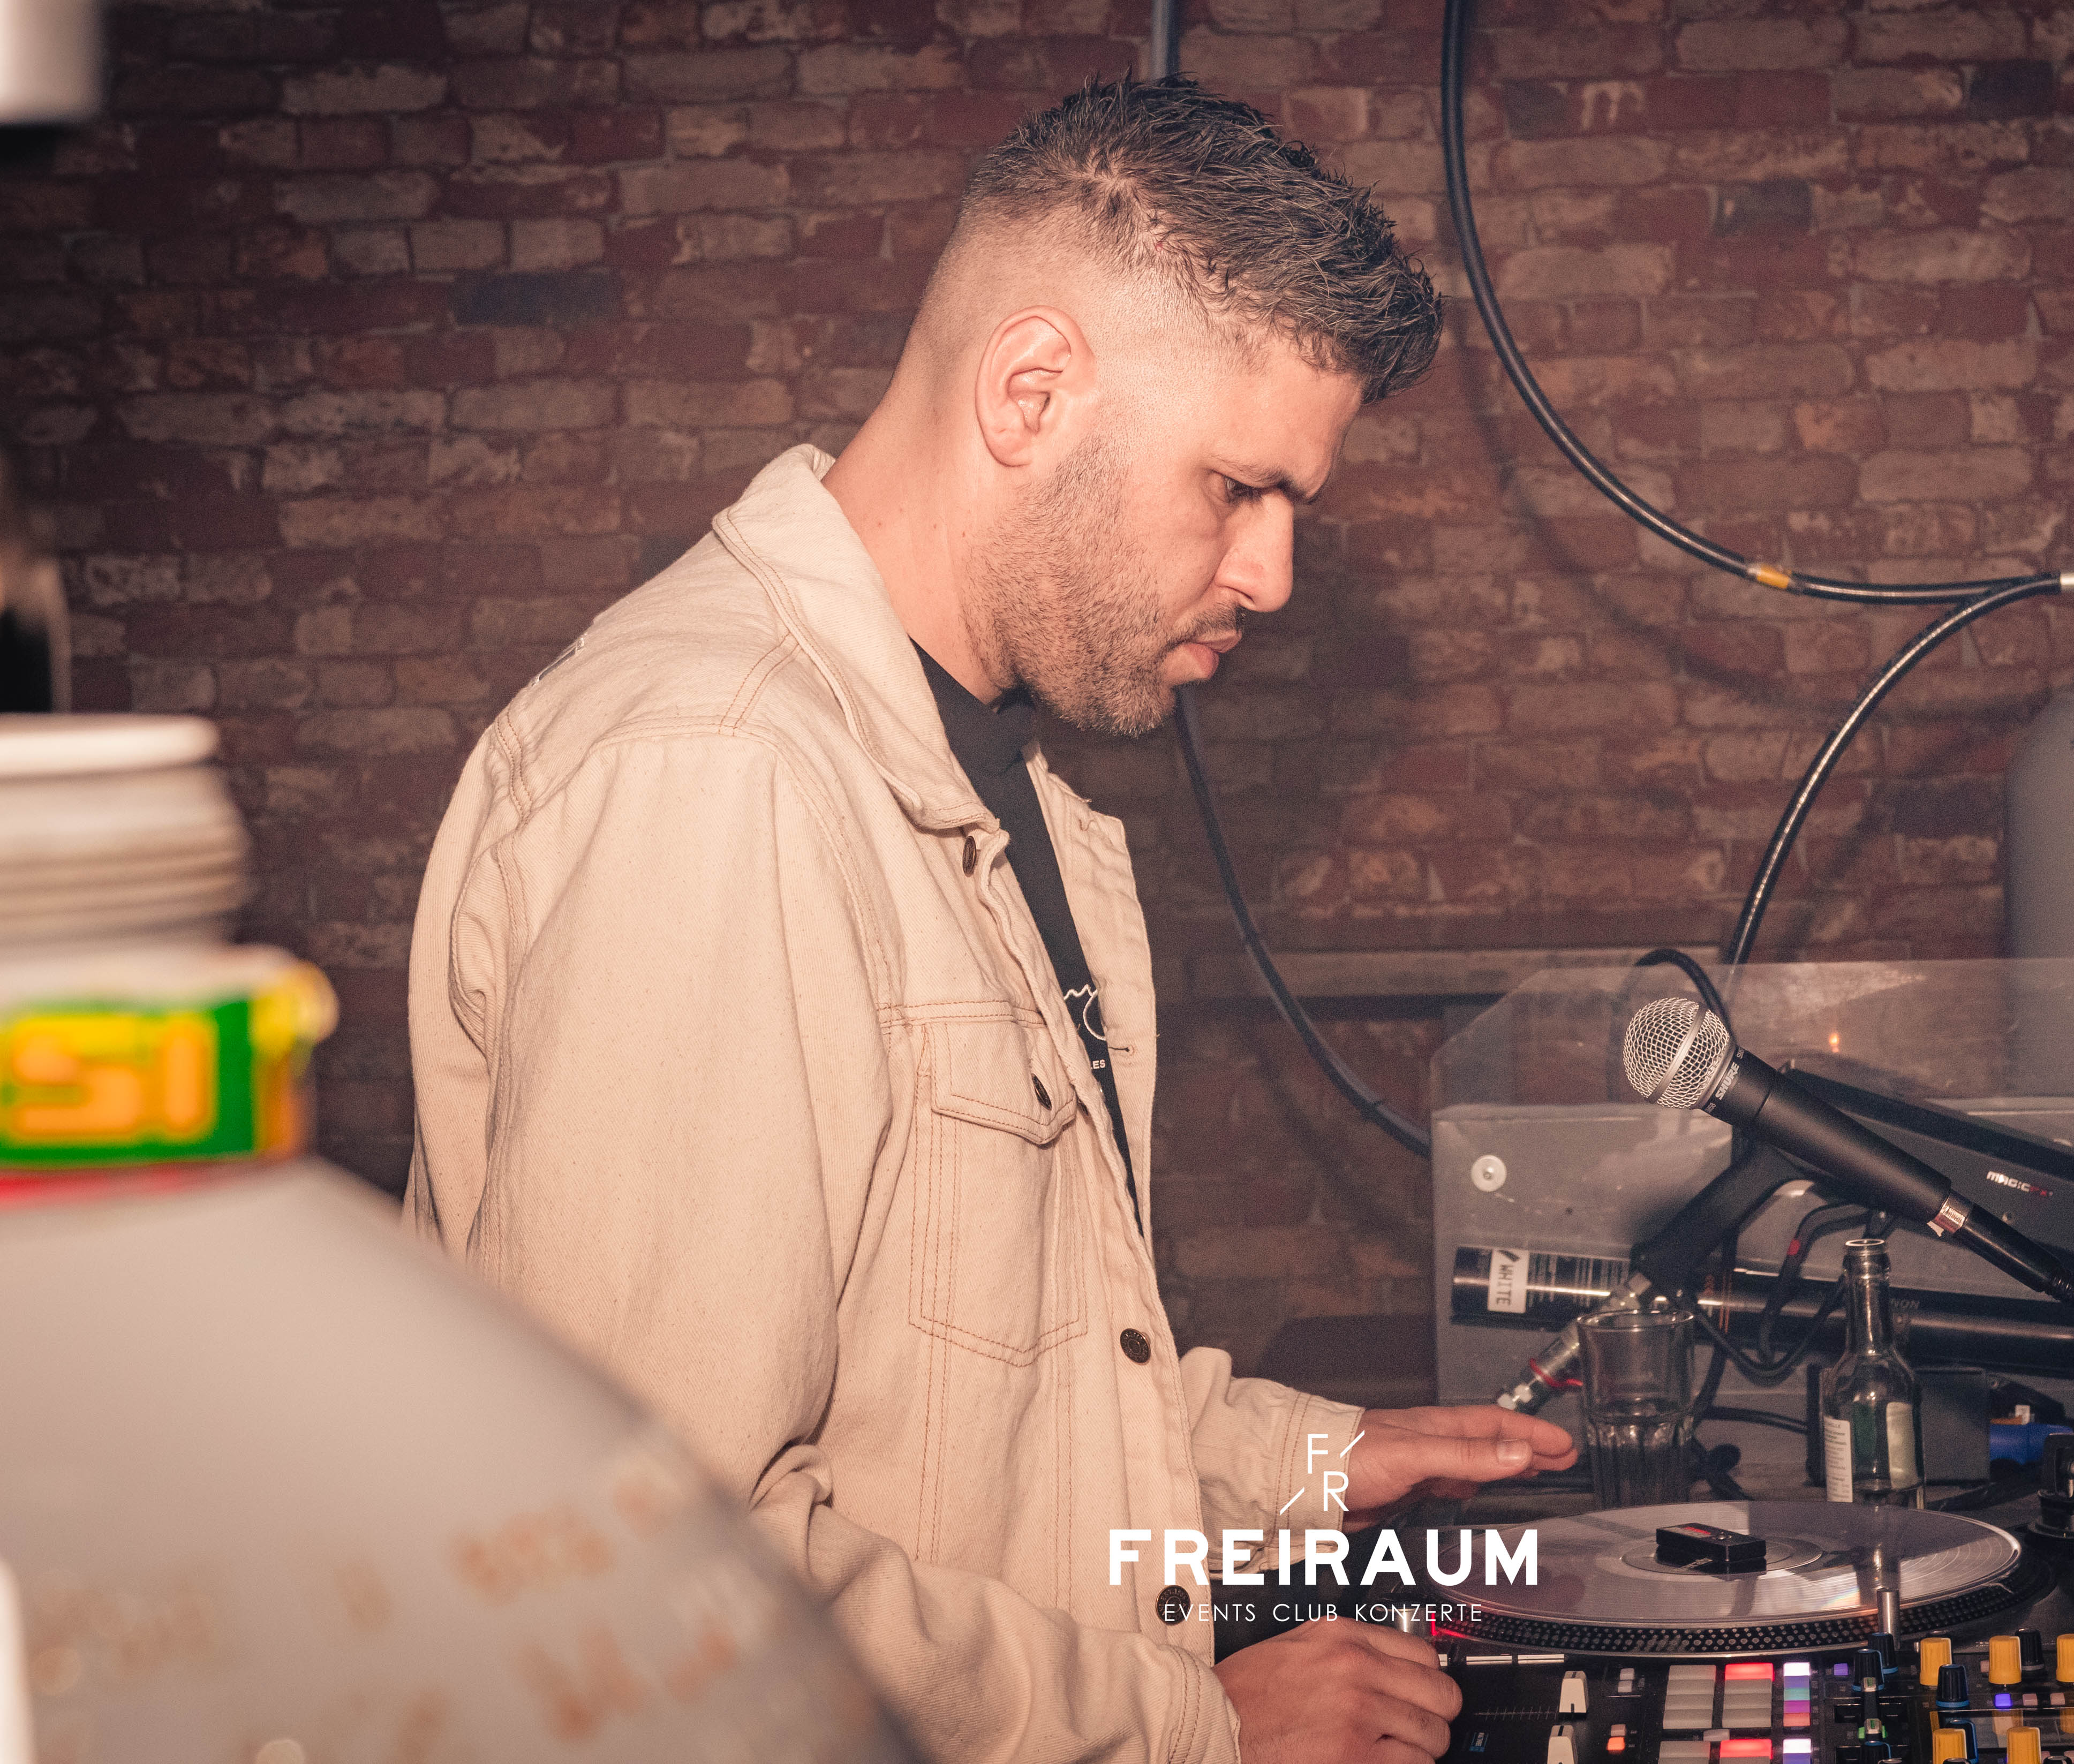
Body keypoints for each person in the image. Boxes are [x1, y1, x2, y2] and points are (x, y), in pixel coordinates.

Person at [404, 77, 1575, 1764]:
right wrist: (1191, 1727)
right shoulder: (716, 777)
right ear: (1030, 393)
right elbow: (649, 1571)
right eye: (1238, 488)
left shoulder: (992, 766)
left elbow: (980, 1401)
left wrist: (1315, 1464)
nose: (1270, 575)